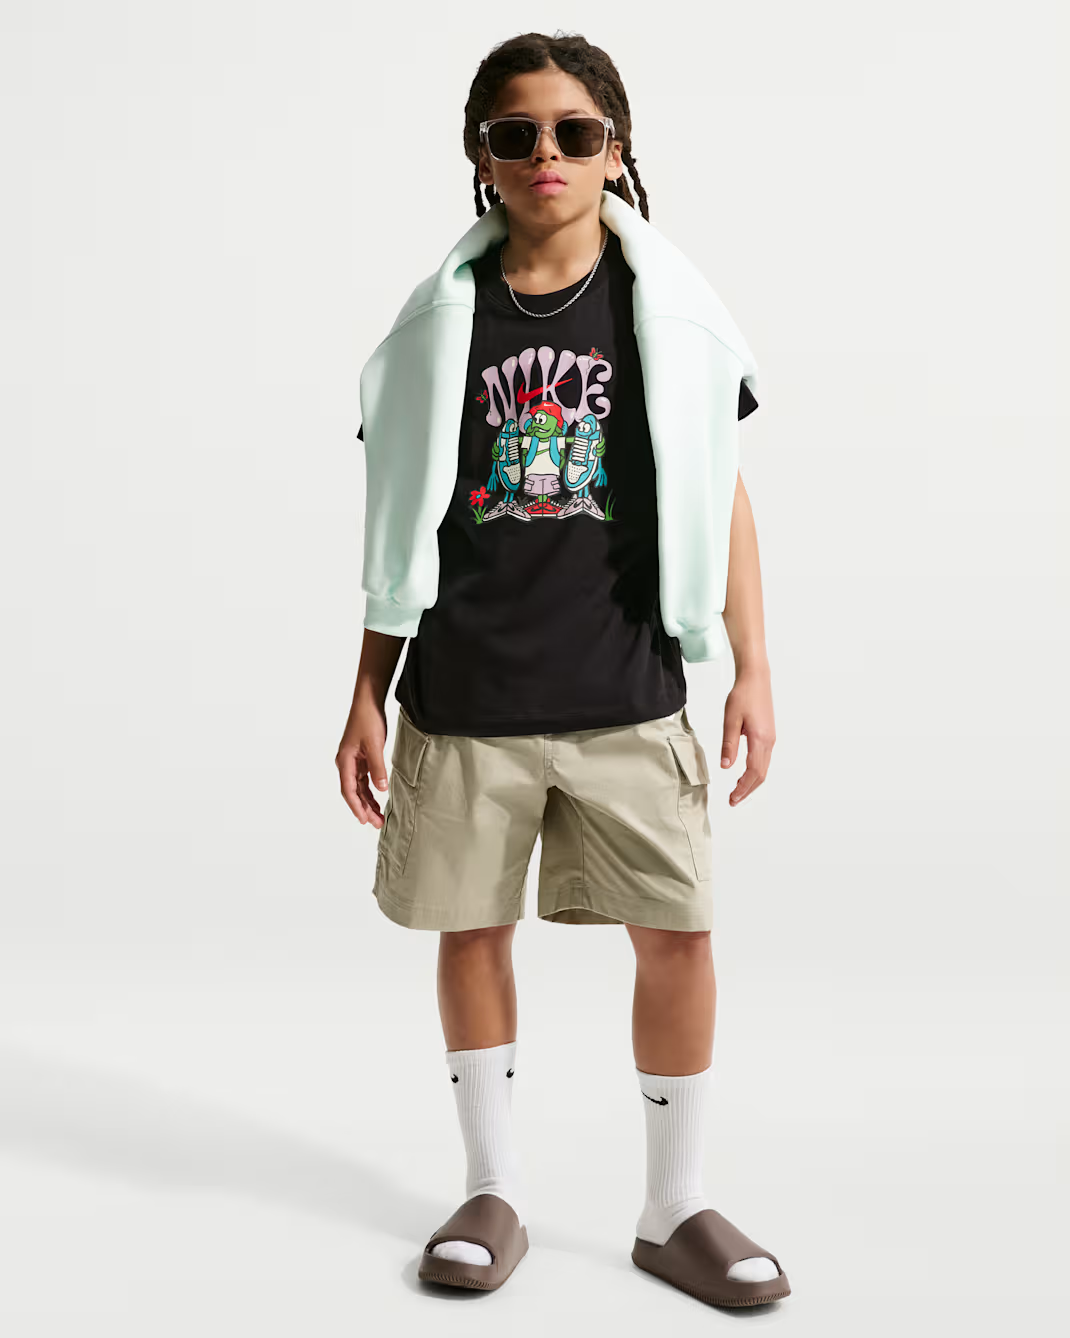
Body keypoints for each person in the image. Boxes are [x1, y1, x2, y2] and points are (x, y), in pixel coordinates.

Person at [336, 31, 789, 1311]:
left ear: (615, 150)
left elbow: (720, 493)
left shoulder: (675, 318)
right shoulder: (432, 329)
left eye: (574, 132)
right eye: (517, 132)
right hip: (466, 693)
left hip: (628, 691)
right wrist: (364, 690)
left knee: (679, 937)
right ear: (479, 155)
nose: (547, 154)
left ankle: (673, 1206)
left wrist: (752, 666)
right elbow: (398, 528)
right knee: (471, 931)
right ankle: (491, 1189)